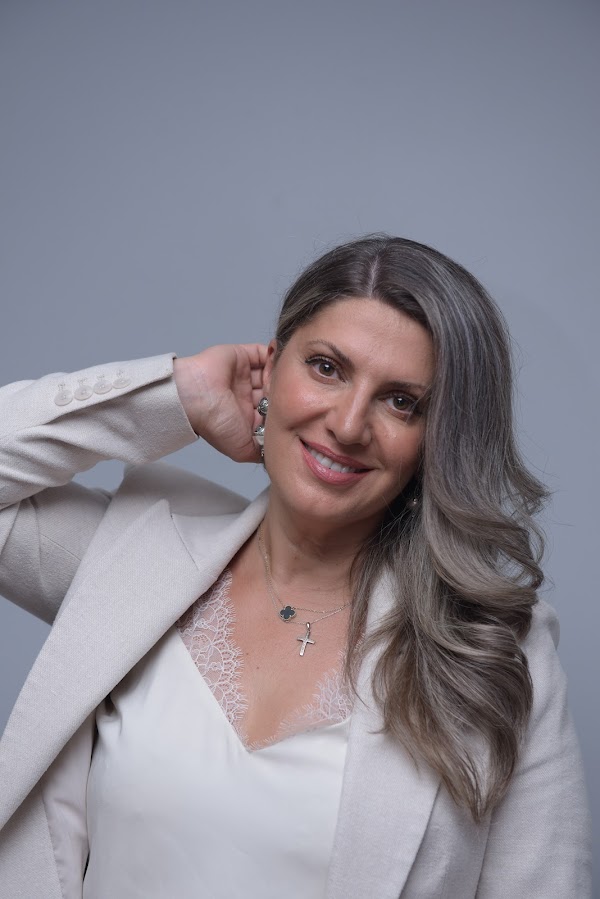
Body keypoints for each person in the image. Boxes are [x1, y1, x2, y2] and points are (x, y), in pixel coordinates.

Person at [0, 235, 591, 898]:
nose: (348, 424)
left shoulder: (498, 654)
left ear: (437, 440)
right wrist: (176, 394)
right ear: (273, 367)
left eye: (401, 401)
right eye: (326, 367)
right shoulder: (134, 557)